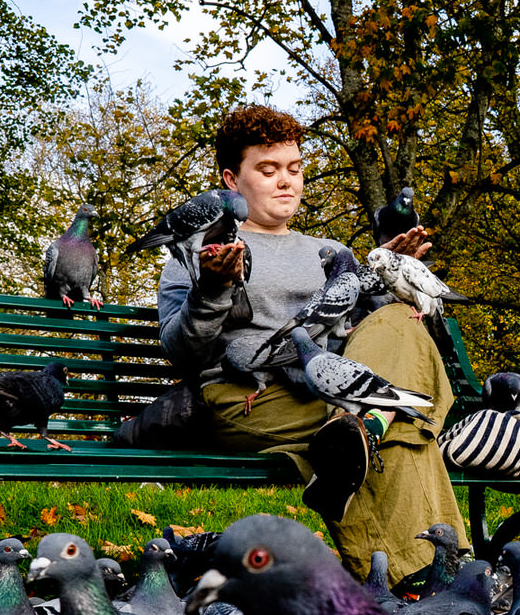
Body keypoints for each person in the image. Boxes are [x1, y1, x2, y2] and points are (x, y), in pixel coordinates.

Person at [157, 105, 467, 582]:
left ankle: (365, 432)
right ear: (230, 179)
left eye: (295, 169)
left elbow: (371, 334)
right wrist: (212, 290)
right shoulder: (200, 249)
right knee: (394, 421)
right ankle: (435, 576)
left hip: (335, 390)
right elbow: (184, 353)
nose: (286, 181)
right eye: (268, 170)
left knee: (400, 321)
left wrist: (391, 276)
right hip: (250, 400)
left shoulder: (329, 250)